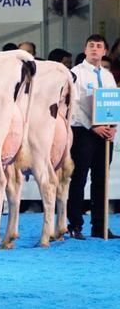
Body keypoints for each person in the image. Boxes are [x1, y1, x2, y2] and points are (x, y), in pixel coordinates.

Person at [67, 35, 117, 240]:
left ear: (105, 51)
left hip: (105, 134)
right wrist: (92, 126)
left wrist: (113, 126)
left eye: (99, 46)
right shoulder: (75, 73)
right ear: (85, 50)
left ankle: (100, 226)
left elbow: (113, 103)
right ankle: (75, 225)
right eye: (91, 46)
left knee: (101, 180)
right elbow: (74, 105)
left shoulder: (108, 76)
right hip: (82, 132)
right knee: (78, 178)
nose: (95, 49)